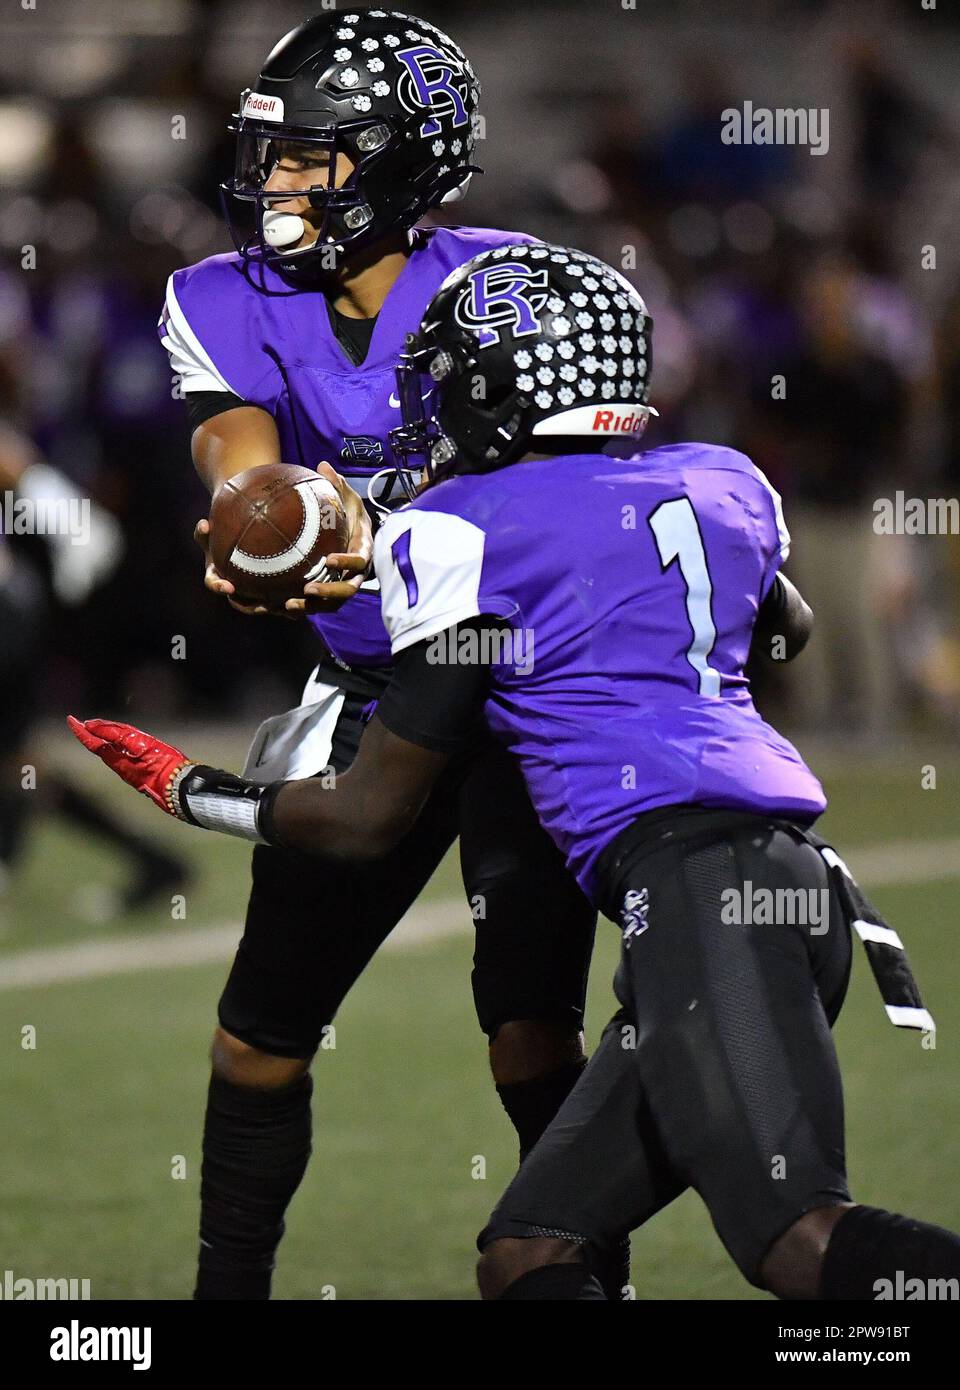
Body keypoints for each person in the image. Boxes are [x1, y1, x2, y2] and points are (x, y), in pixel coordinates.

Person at [75, 241, 958, 1301]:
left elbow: (365, 817)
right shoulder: (724, 480)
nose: (433, 402)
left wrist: (194, 790)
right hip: (769, 881)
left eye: (450, 376)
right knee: (528, 1252)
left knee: (795, 1240)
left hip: (705, 895)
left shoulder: (462, 528)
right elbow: (780, 632)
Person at [155, 11, 602, 1300]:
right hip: (370, 688)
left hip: (517, 685)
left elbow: (568, 506)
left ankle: (585, 1277)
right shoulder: (223, 295)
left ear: (401, 164)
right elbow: (237, 448)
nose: (278, 182)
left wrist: (391, 528)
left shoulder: (511, 289)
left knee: (530, 1031)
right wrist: (270, 522)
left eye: (313, 157)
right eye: (274, 154)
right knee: (258, 1037)